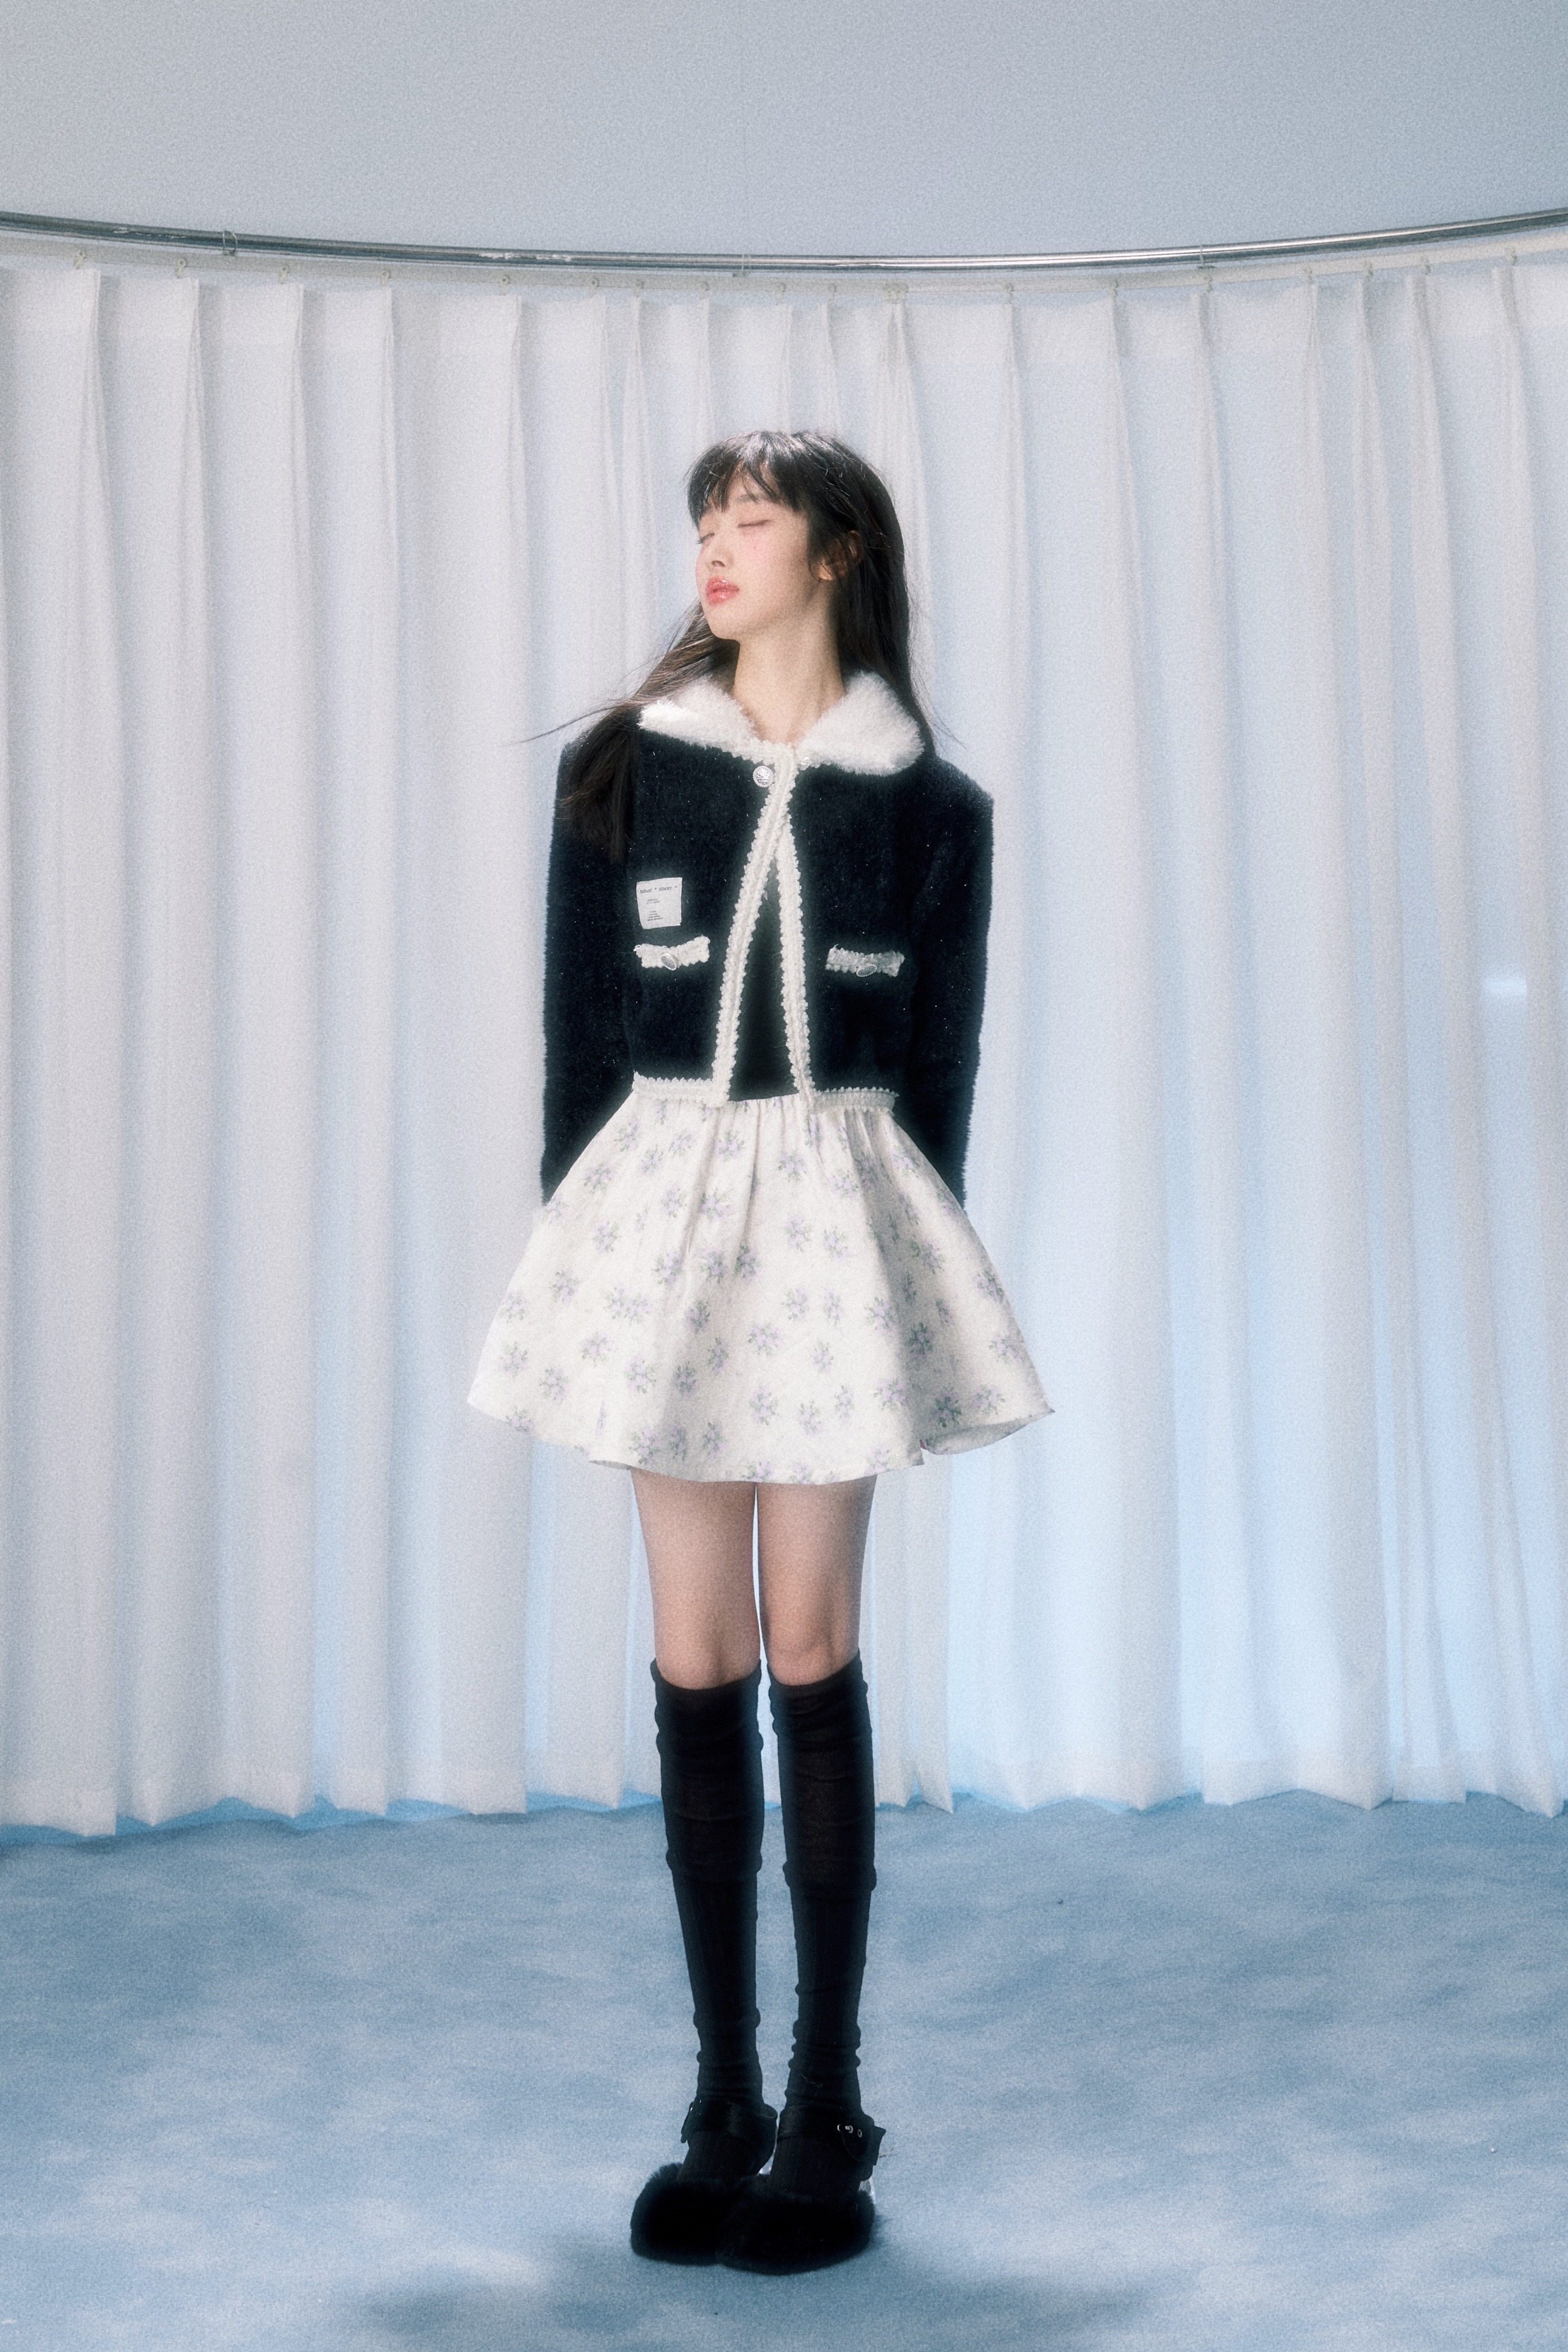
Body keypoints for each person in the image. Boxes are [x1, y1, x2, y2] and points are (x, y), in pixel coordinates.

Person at [468, 428, 1051, 2274]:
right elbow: (577, 1054)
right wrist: (589, 1262)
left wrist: (901, 1273)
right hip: (657, 1225)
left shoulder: (931, 807)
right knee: (694, 1647)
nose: (714, 550)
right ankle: (718, 2096)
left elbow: (937, 1076)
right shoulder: (621, 772)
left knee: (809, 1639)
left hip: (833, 1238)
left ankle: (827, 2105)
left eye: (750, 521)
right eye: (703, 523)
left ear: (836, 552)